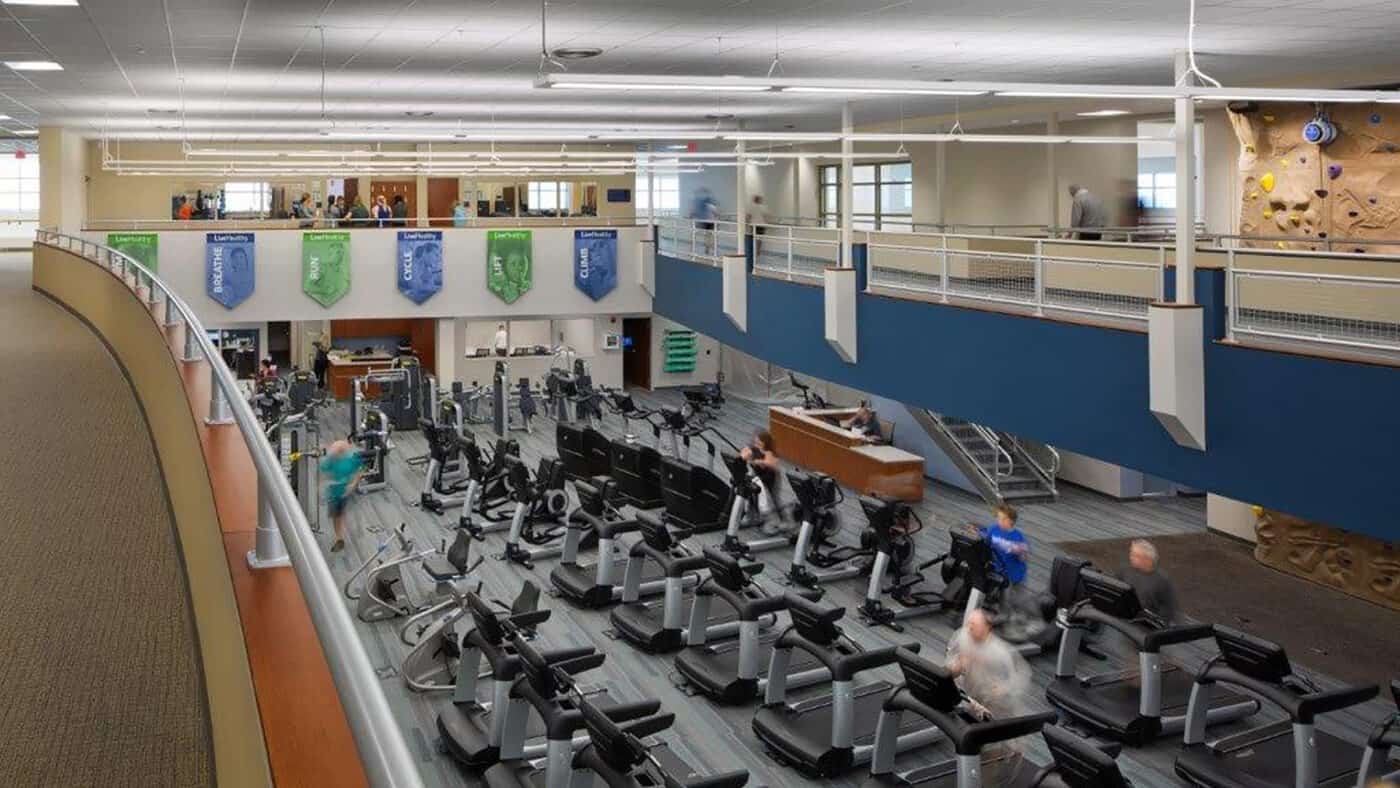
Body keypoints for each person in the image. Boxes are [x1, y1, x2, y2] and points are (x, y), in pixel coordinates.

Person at [976, 504, 1040, 635]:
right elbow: (985, 537)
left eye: (1002, 518)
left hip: (1015, 575)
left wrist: (1020, 551)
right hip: (1000, 571)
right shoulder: (994, 529)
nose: (999, 521)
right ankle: (1005, 615)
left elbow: (1023, 556)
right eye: (998, 518)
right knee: (1005, 597)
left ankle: (1035, 620)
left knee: (1021, 599)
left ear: (1010, 521)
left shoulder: (1017, 536)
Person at [1118, 539, 1179, 625]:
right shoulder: (1125, 571)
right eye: (1131, 553)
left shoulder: (1162, 581)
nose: (1130, 557)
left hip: (1146, 626)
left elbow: (1169, 610)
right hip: (1126, 621)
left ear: (1147, 559)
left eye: (1136, 555)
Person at [320, 439, 363, 553]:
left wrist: (352, 484)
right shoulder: (331, 460)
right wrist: (327, 482)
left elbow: (360, 471)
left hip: (344, 492)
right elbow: (324, 473)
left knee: (340, 513)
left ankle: (340, 536)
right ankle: (339, 537)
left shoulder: (350, 459)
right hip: (335, 492)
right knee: (337, 515)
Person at [739, 429, 782, 515]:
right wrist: (745, 454)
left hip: (770, 477)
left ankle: (782, 517)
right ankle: (753, 512)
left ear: (765, 442)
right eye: (756, 441)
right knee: (750, 490)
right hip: (758, 475)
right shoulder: (754, 448)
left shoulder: (768, 451)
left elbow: (771, 463)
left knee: (774, 498)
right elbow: (743, 454)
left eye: (760, 441)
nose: (757, 443)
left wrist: (759, 462)